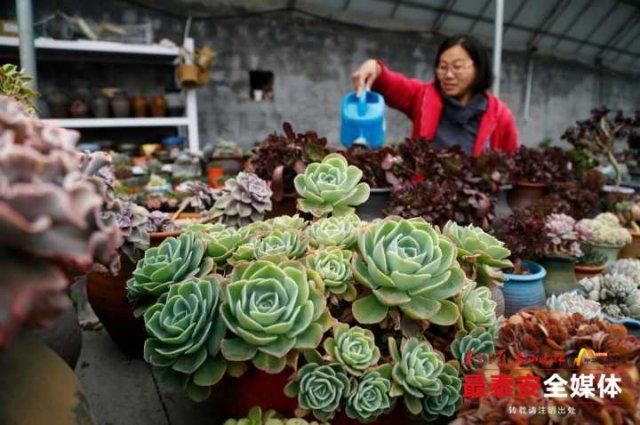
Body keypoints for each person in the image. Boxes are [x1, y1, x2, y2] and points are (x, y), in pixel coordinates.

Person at [352, 34, 519, 156]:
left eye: (457, 66)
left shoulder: (500, 116)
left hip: (476, 201)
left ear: (479, 68)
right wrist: (375, 68)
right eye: (443, 67)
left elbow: (511, 167)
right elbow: (394, 85)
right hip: (426, 200)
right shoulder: (424, 96)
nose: (448, 75)